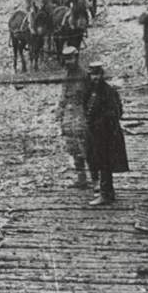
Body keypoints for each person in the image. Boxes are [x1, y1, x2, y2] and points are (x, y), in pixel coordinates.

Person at [84, 62, 129, 206]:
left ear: (102, 75)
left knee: (105, 163)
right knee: (97, 160)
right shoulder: (90, 90)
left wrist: (100, 124)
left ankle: (106, 193)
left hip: (107, 133)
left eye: (98, 74)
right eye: (92, 75)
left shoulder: (109, 92)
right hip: (95, 133)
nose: (95, 78)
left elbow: (115, 113)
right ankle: (106, 191)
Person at [56, 46, 96, 189]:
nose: (68, 62)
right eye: (66, 59)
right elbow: (64, 93)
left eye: (71, 58)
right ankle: (81, 178)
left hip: (82, 113)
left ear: (76, 58)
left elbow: (92, 95)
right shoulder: (67, 74)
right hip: (69, 113)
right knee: (72, 147)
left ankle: (96, 179)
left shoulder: (85, 75)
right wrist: (60, 110)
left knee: (86, 146)